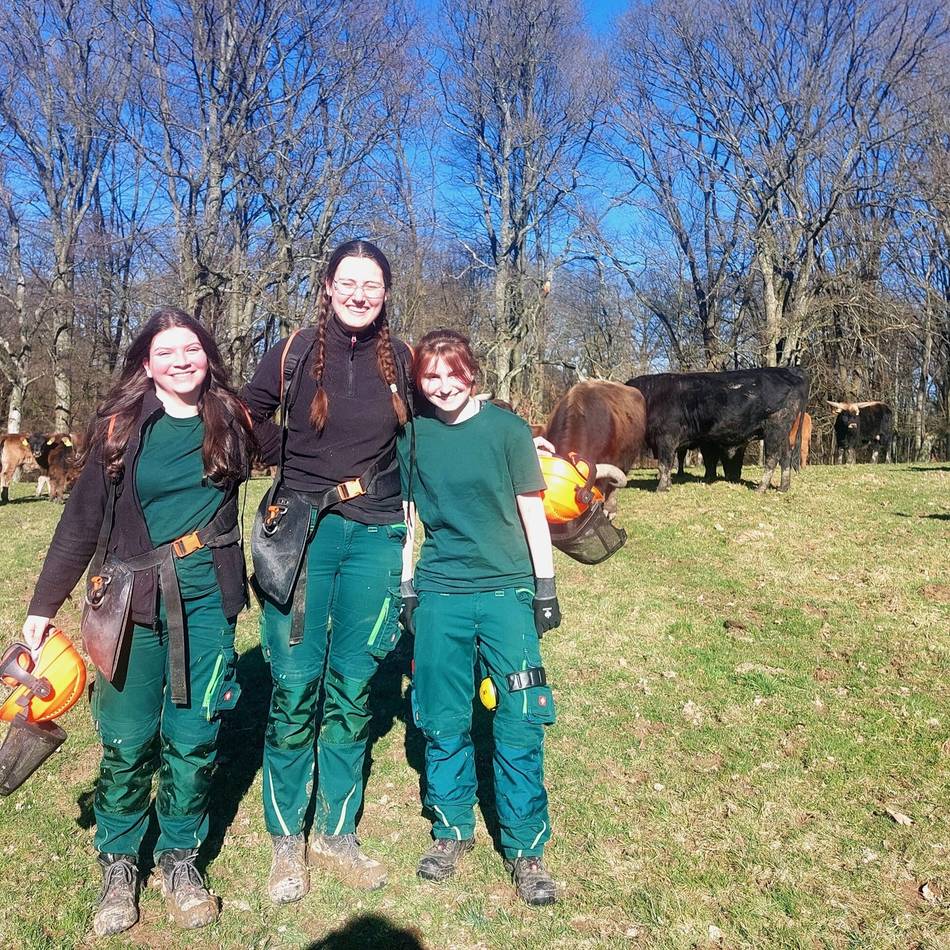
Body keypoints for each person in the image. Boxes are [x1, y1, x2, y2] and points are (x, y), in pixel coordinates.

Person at [22, 309, 254, 936]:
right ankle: (120, 861)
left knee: (195, 737)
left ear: (208, 355)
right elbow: (80, 522)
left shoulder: (232, 417)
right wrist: (42, 606)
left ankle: (180, 857)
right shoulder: (121, 428)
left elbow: (316, 443)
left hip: (207, 602)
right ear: (146, 364)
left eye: (191, 349)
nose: (181, 361)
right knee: (126, 742)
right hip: (130, 602)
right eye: (166, 352)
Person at [242, 239, 412, 902]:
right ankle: (287, 840)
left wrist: (513, 442)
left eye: (372, 284)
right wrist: (284, 458)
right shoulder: (290, 353)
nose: (359, 294)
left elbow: (440, 426)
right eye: (349, 281)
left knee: (352, 688)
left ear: (386, 293)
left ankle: (336, 832)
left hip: (375, 536)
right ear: (329, 287)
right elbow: (245, 413)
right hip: (301, 536)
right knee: (293, 688)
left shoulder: (402, 361)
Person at [398, 329, 562, 906]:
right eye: (431, 376)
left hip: (505, 591)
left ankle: (526, 847)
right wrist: (407, 584)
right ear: (419, 382)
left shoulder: (508, 431)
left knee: (520, 717)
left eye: (454, 374)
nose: (444, 386)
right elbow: (408, 516)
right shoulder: (412, 438)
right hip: (440, 592)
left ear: (473, 374)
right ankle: (451, 831)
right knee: (442, 716)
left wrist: (544, 587)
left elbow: (532, 511)